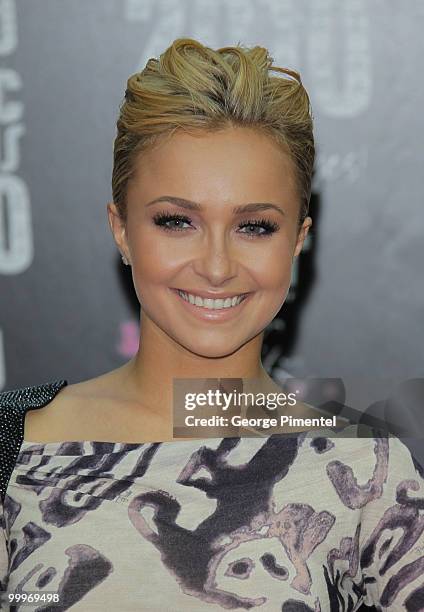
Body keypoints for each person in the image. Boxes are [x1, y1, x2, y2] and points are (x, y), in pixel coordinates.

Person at [0, 37, 423, 611]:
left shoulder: (366, 471)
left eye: (255, 227)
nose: (217, 267)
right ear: (121, 229)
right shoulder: (16, 447)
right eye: (177, 221)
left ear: (298, 239)